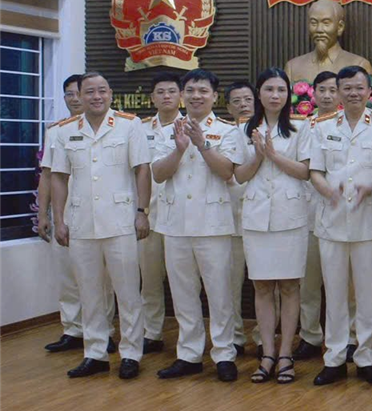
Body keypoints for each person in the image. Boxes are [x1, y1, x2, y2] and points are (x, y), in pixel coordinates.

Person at [50, 72, 151, 379]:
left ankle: (131, 353)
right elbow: (58, 177)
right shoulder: (65, 130)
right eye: (90, 92)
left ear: (110, 94)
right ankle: (95, 353)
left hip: (120, 221)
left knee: (127, 293)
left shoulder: (129, 124)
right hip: (81, 223)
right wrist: (59, 219)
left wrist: (142, 210)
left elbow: (142, 169)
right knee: (89, 292)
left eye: (102, 91)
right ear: (79, 96)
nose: (96, 97)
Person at [150, 69, 240, 382]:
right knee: (183, 294)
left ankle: (224, 354)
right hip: (175, 224)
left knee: (219, 294)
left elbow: (227, 172)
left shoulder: (227, 131)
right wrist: (179, 148)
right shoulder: (166, 131)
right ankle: (189, 355)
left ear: (215, 96)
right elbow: (158, 174)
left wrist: (202, 144)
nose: (196, 96)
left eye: (203, 91)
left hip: (213, 225)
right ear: (182, 95)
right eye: (190, 90)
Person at [308, 65, 372, 387]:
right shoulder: (322, 126)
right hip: (332, 221)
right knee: (335, 293)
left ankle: (366, 356)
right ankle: (335, 358)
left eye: (359, 88)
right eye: (347, 88)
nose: (354, 93)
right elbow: (315, 171)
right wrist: (327, 190)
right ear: (339, 91)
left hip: (368, 220)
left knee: (367, 293)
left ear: (369, 91)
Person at [232, 68, 311, 384]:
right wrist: (257, 156)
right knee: (262, 287)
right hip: (256, 217)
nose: (275, 95)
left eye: (281, 90)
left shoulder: (302, 127)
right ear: (258, 93)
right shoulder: (243, 129)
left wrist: (273, 156)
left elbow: (305, 172)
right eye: (269, 89)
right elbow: (239, 175)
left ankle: (286, 353)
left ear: (288, 94)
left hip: (290, 216)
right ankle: (267, 353)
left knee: (290, 287)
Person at [38, 74, 114, 354]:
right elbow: (47, 175)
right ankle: (72, 329)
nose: (74, 98)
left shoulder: (113, 127)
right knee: (67, 274)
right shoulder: (56, 131)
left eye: (77, 93)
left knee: (100, 278)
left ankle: (104, 331)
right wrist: (44, 214)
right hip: (64, 211)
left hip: (97, 210)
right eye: (69, 94)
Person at [292, 71, 337, 362]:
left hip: (339, 212)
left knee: (342, 284)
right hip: (305, 213)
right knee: (307, 282)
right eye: (322, 90)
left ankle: (347, 337)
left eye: (333, 90)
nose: (328, 95)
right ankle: (310, 335)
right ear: (313, 93)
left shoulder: (350, 125)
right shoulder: (300, 126)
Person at [137, 71, 182, 355]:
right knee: (150, 280)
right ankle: (151, 333)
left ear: (181, 96)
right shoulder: (139, 129)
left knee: (185, 283)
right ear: (152, 98)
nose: (166, 96)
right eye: (160, 92)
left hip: (182, 217)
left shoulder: (191, 127)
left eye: (171, 91)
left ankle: (188, 338)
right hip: (151, 214)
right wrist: (139, 210)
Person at [224, 81, 255, 354]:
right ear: (228, 107)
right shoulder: (223, 134)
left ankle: (263, 336)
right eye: (237, 101)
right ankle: (234, 335)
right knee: (230, 285)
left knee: (267, 285)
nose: (243, 105)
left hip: (261, 221)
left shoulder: (269, 132)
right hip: (230, 221)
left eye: (248, 99)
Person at [284, 0, 372, 83]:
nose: (319, 29)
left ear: (340, 27)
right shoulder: (293, 67)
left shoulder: (359, 64)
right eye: (314, 23)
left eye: (326, 23)